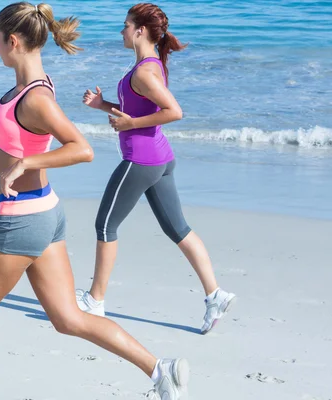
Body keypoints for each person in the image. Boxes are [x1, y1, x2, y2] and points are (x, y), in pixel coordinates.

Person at [0, 3, 189, 400]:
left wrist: (23, 163)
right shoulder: (32, 87)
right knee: (67, 318)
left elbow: (81, 149)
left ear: (13, 41)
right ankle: (160, 370)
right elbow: (20, 142)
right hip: (45, 213)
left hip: (23, 218)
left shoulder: (36, 98)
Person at [77, 3, 236, 335]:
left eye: (125, 25)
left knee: (105, 225)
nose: (120, 31)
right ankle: (215, 295)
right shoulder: (149, 65)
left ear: (139, 31)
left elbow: (174, 111)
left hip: (141, 160)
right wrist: (103, 105)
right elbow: (137, 107)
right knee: (178, 229)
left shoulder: (144, 71)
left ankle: (95, 300)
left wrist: (131, 123)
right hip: (160, 159)